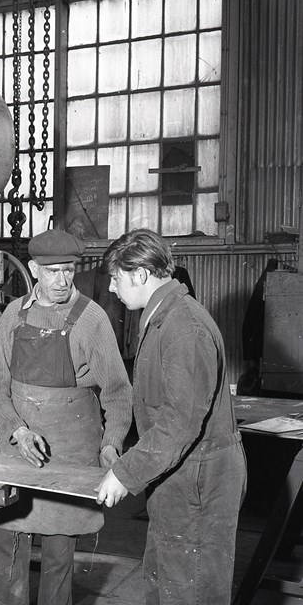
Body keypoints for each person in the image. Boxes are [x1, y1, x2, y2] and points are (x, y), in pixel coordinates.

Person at [94, 228, 247, 604]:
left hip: (198, 479)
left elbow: (178, 425)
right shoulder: (164, 317)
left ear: (140, 275)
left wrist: (125, 473)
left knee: (190, 589)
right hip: (179, 475)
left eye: (116, 278)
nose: (112, 289)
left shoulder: (184, 327)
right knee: (167, 581)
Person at [0, 229, 132, 605]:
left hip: (69, 452)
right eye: (53, 272)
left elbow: (118, 392)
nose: (63, 280)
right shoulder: (13, 315)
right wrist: (17, 430)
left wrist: (112, 443)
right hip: (18, 451)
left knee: (58, 555)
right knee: (7, 545)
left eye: (69, 270)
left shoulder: (92, 319)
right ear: (34, 270)